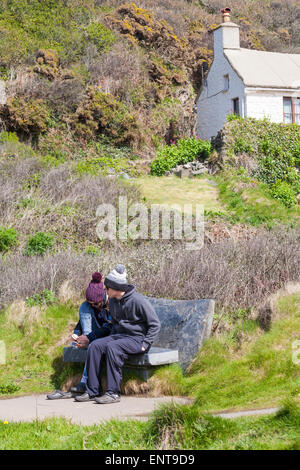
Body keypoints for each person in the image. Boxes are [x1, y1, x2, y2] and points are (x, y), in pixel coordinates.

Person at [75, 264, 161, 404]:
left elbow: (155, 324)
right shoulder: (113, 302)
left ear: (115, 287)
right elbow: (113, 325)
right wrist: (92, 338)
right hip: (120, 337)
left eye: (107, 287)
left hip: (137, 339)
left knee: (113, 347)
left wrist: (145, 344)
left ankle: (113, 393)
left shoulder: (138, 301)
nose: (105, 290)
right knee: (95, 346)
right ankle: (92, 391)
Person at [46, 272, 112, 400]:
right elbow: (82, 321)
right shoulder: (89, 306)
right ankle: (85, 384)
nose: (94, 306)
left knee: (93, 345)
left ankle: (84, 381)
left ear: (103, 297)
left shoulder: (111, 304)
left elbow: (109, 327)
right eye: (91, 303)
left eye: (96, 304)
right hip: (93, 335)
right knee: (84, 307)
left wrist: (90, 337)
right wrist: (76, 333)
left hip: (107, 336)